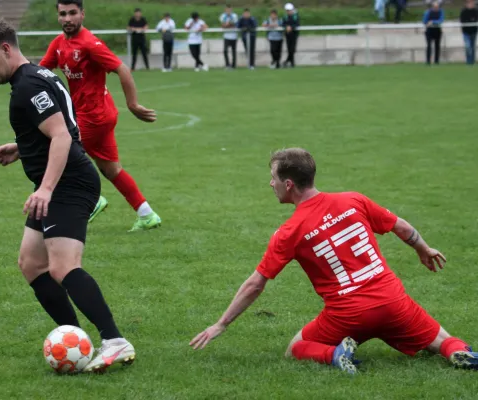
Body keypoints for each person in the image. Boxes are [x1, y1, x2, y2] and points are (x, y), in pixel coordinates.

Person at [190, 148, 478, 374]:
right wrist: (423, 249)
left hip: (347, 315)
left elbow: (255, 285)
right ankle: (456, 351)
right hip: (392, 302)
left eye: (273, 178)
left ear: (288, 184)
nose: (270, 183)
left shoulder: (288, 232)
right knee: (439, 339)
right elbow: (400, 226)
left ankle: (336, 354)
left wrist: (221, 324)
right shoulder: (353, 200)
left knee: (297, 348)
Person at [0, 15, 136, 373]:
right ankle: (74, 338)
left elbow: (60, 136)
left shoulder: (29, 84)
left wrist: (45, 187)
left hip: (67, 183)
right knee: (31, 264)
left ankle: (115, 341)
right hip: (60, 179)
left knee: (62, 266)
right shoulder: (39, 77)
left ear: (6, 48)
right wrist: (22, 147)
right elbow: (65, 127)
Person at [39, 0, 162, 232]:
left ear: (82, 14)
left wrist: (133, 104)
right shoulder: (58, 44)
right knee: (111, 169)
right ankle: (146, 214)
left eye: (72, 13)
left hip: (94, 115)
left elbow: (122, 68)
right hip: (95, 114)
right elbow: (41, 72)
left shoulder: (89, 44)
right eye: (63, 14)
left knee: (57, 152)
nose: (67, 18)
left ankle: (93, 200)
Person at [423, 1, 445, 65]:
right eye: (435, 7)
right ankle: (428, 61)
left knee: (437, 46)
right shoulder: (428, 12)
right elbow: (424, 21)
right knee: (429, 46)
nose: (436, 8)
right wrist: (429, 22)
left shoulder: (441, 11)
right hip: (429, 31)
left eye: (437, 7)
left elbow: (441, 20)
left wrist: (432, 21)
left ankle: (436, 61)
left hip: (437, 30)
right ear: (432, 7)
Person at [220, 5, 239, 69]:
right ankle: (227, 65)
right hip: (226, 36)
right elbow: (223, 25)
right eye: (227, 10)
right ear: (225, 10)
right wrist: (228, 24)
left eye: (229, 10)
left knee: (234, 51)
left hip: (234, 36)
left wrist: (227, 24)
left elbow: (234, 24)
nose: (228, 11)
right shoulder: (223, 16)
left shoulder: (234, 15)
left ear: (231, 10)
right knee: (225, 51)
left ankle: (233, 65)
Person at [281, 3, 300, 68]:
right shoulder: (285, 16)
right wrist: (286, 27)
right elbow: (283, 24)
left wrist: (291, 27)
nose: (288, 11)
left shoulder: (295, 16)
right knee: (289, 49)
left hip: (294, 34)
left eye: (289, 10)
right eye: (287, 10)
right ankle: (292, 63)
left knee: (292, 49)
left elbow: (297, 24)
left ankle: (287, 61)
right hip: (288, 34)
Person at [460, 0, 478, 65]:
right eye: (470, 3)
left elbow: (475, 19)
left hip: (474, 31)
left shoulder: (476, 11)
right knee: (468, 46)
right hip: (466, 32)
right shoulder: (464, 11)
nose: (471, 4)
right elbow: (462, 20)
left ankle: (472, 62)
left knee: (473, 47)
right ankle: (468, 61)